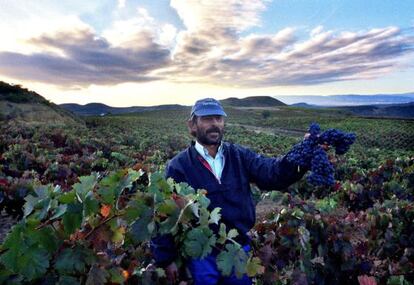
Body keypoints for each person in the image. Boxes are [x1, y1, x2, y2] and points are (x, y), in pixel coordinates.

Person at [151, 98, 307, 285]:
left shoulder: (239, 155)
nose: (214, 124)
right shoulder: (178, 166)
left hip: (238, 248)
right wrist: (165, 259)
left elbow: (272, 173)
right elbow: (164, 215)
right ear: (192, 125)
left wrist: (302, 157)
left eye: (218, 118)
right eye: (207, 119)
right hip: (201, 255)